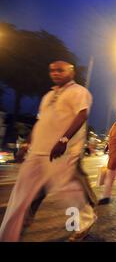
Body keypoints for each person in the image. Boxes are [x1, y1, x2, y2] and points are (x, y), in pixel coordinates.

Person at [0, 61, 96, 242]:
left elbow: (82, 115)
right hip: (38, 154)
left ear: (71, 72)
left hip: (62, 154)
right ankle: (10, 233)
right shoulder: (48, 96)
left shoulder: (78, 92)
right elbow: (40, 122)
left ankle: (82, 221)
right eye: (52, 70)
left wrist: (63, 140)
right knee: (23, 195)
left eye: (60, 70)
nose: (55, 73)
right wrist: (27, 144)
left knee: (67, 192)